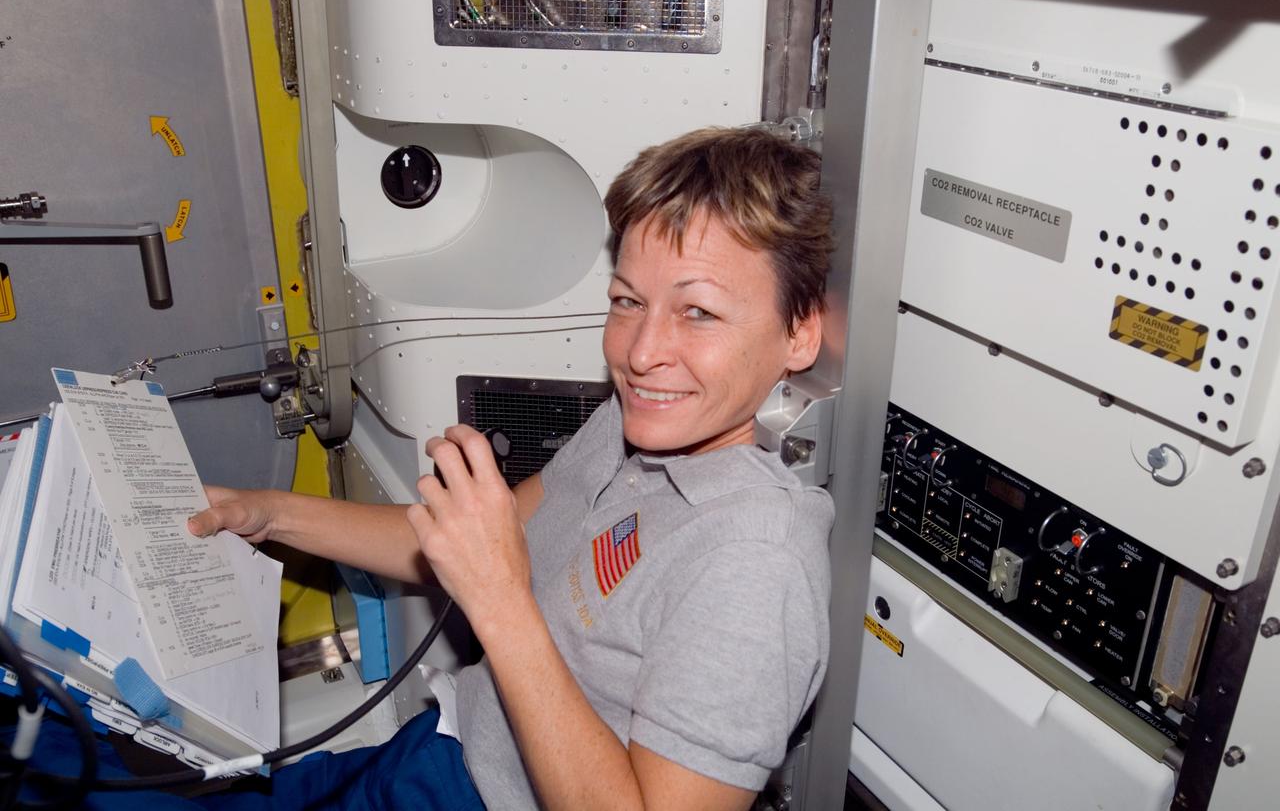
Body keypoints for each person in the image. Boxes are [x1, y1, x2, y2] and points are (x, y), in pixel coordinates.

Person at [100, 125, 835, 810]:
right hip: (452, 745)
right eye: (627, 301)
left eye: (697, 312)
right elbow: (462, 543)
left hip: (474, 793)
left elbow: (494, 582)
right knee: (129, 768)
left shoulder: (755, 567)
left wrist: (501, 601)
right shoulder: (637, 426)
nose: (641, 353)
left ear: (799, 333)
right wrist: (270, 513)